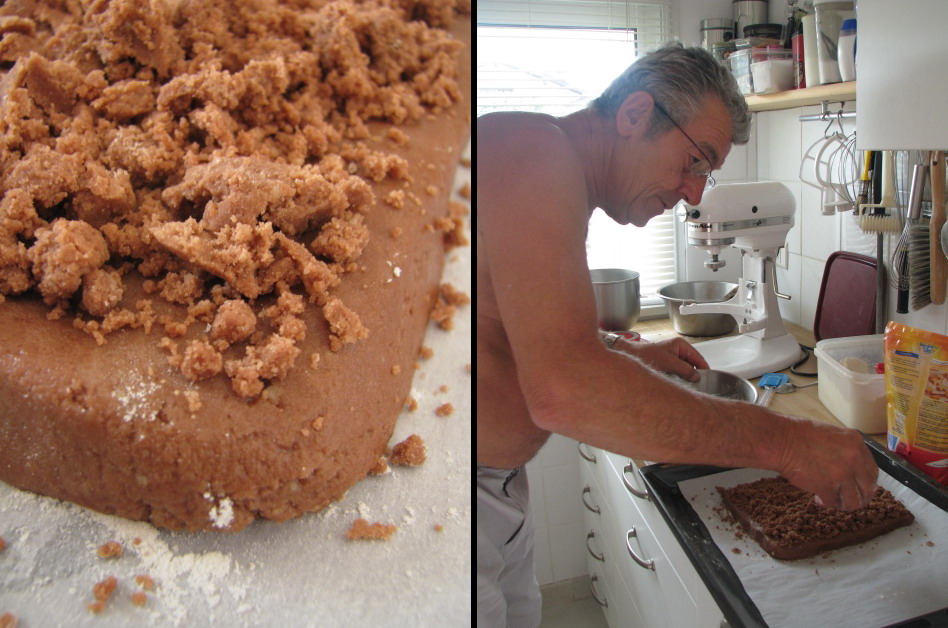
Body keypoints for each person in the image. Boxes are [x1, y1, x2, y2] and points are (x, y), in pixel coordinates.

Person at [476, 43, 879, 628]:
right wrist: (790, 444)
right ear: (636, 114)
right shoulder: (530, 151)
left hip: (498, 491)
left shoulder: (546, 171)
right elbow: (563, 389)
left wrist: (623, 350)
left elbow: (503, 327)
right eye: (696, 161)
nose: (694, 193)